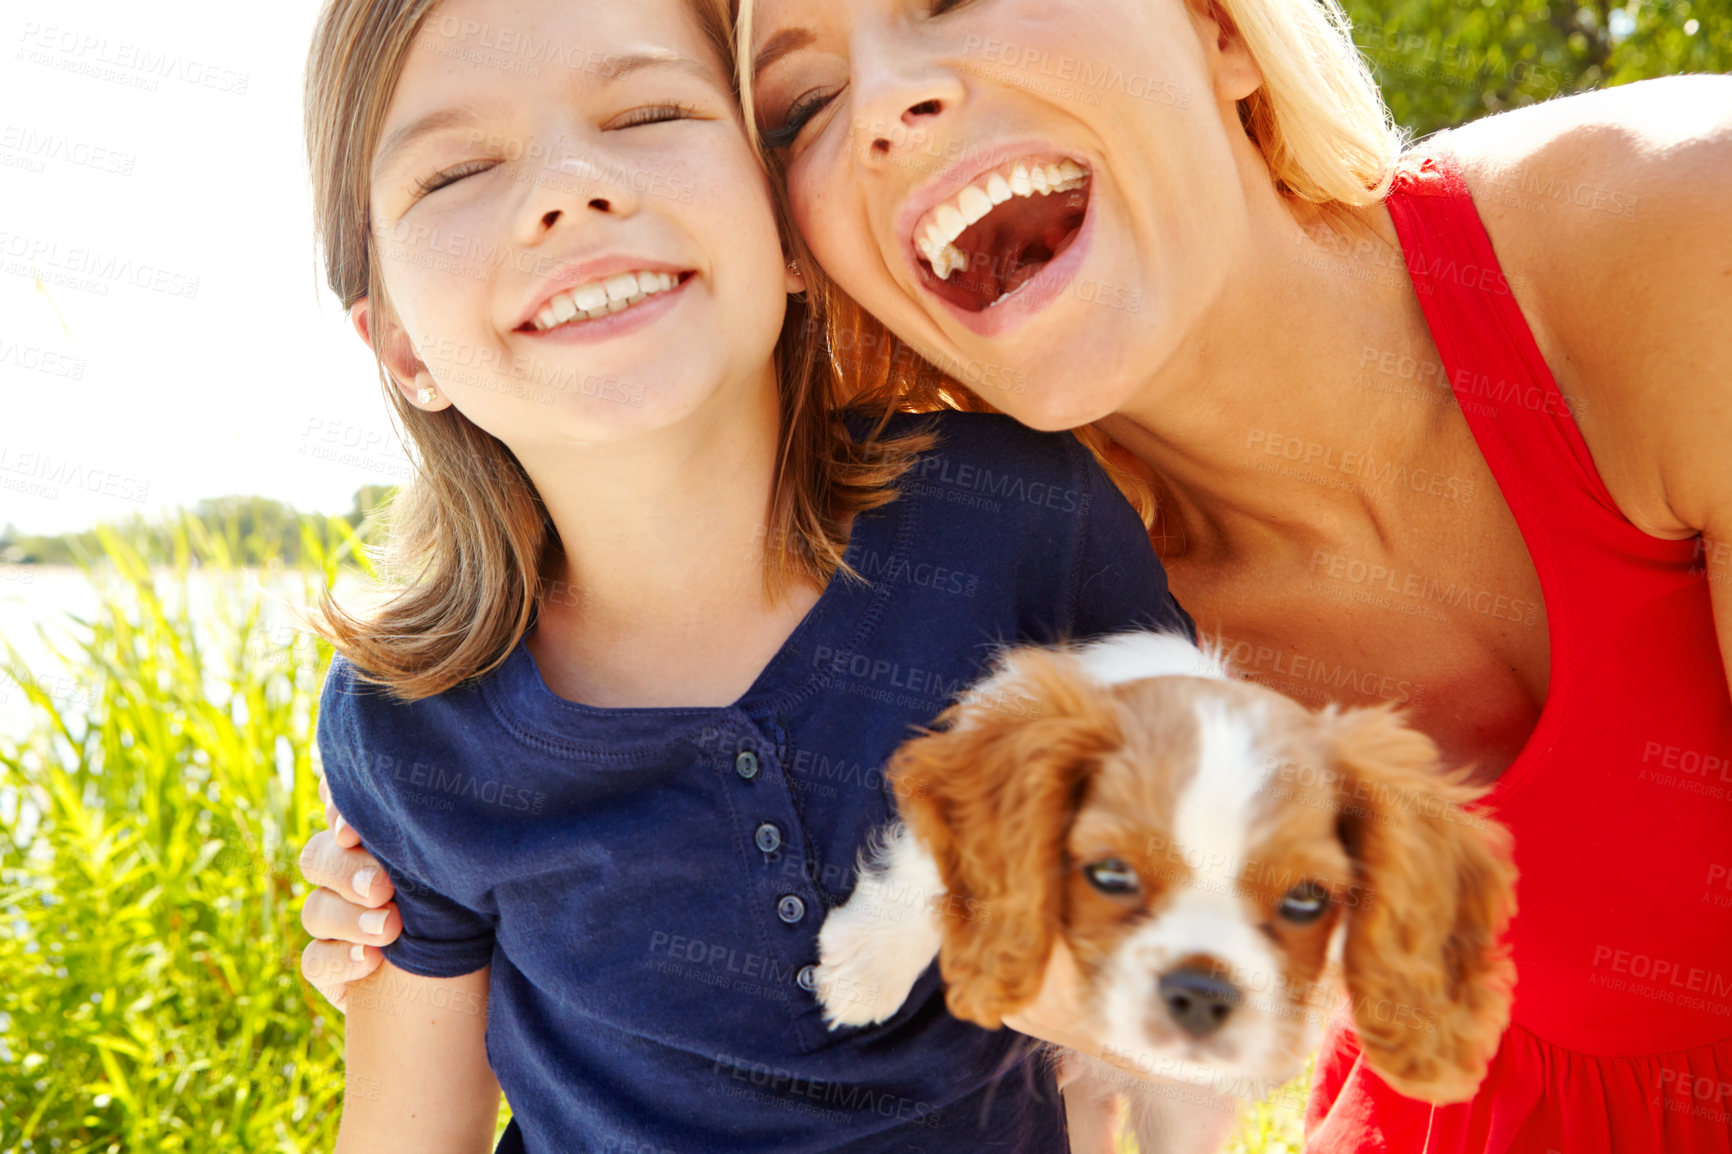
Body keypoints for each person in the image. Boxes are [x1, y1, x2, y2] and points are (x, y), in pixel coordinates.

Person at [306, 0, 1732, 1148]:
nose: (888, 105)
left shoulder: (1677, 242)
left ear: (1224, 24)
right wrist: (413, 891)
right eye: (802, 104)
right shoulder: (1038, 567)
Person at [298, 0, 1189, 1148]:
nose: (569, 188)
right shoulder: (413, 726)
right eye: (458, 169)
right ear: (402, 346)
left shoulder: (1020, 521)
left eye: (651, 111)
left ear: (784, 230)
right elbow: (407, 1131)